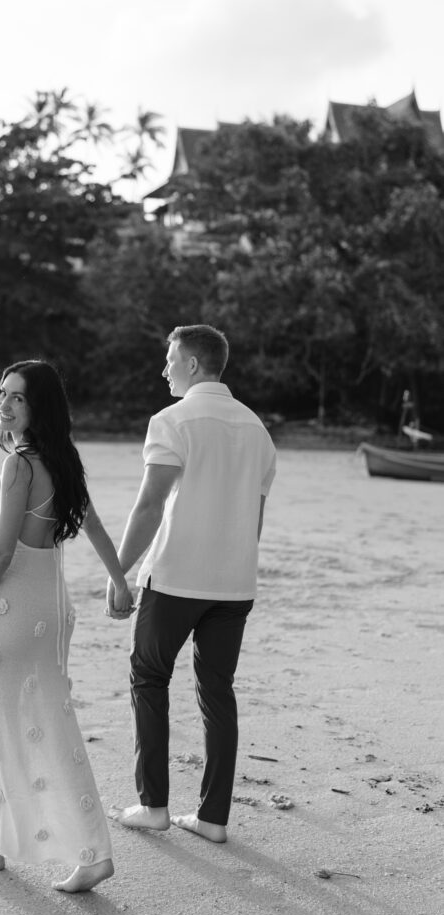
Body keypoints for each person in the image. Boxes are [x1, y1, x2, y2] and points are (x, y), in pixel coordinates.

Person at [0, 359, 134, 892]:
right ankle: (72, 847)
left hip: (12, 612)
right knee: (50, 724)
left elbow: (2, 550)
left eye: (18, 398)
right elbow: (94, 524)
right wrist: (118, 581)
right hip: (52, 611)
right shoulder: (61, 458)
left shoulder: (21, 466)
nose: (3, 404)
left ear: (39, 407)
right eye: (2, 392)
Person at [106, 325, 276, 843]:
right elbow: (256, 519)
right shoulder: (257, 429)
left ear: (195, 365)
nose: (165, 369)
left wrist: (118, 575)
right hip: (234, 583)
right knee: (217, 692)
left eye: (170, 360)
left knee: (149, 680)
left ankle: (153, 806)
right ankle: (213, 819)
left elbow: (150, 504)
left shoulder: (172, 420)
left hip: (177, 578)